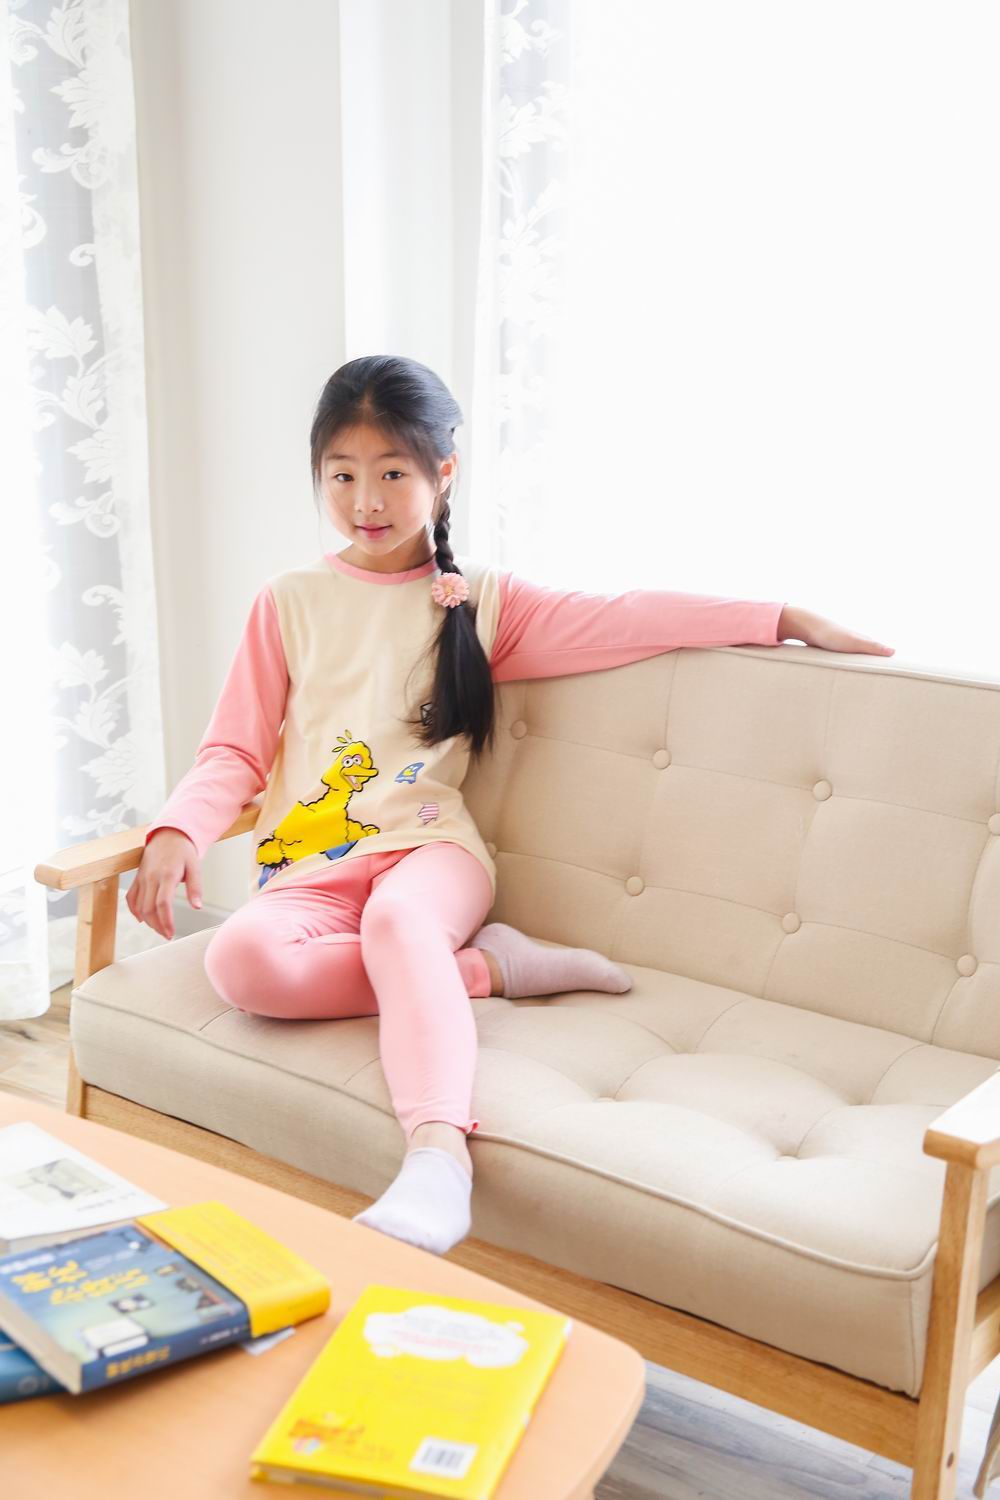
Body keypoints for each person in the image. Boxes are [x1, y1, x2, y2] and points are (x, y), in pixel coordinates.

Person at [127, 354, 896, 1258]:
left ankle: (437, 1157)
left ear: (442, 474)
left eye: (392, 474)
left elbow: (627, 616)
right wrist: (179, 827)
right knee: (242, 963)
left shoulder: (484, 603)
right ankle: (490, 969)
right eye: (342, 475)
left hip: (430, 856)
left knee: (400, 927)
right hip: (314, 866)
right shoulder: (287, 602)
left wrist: (782, 616)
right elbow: (234, 749)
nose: (365, 500)